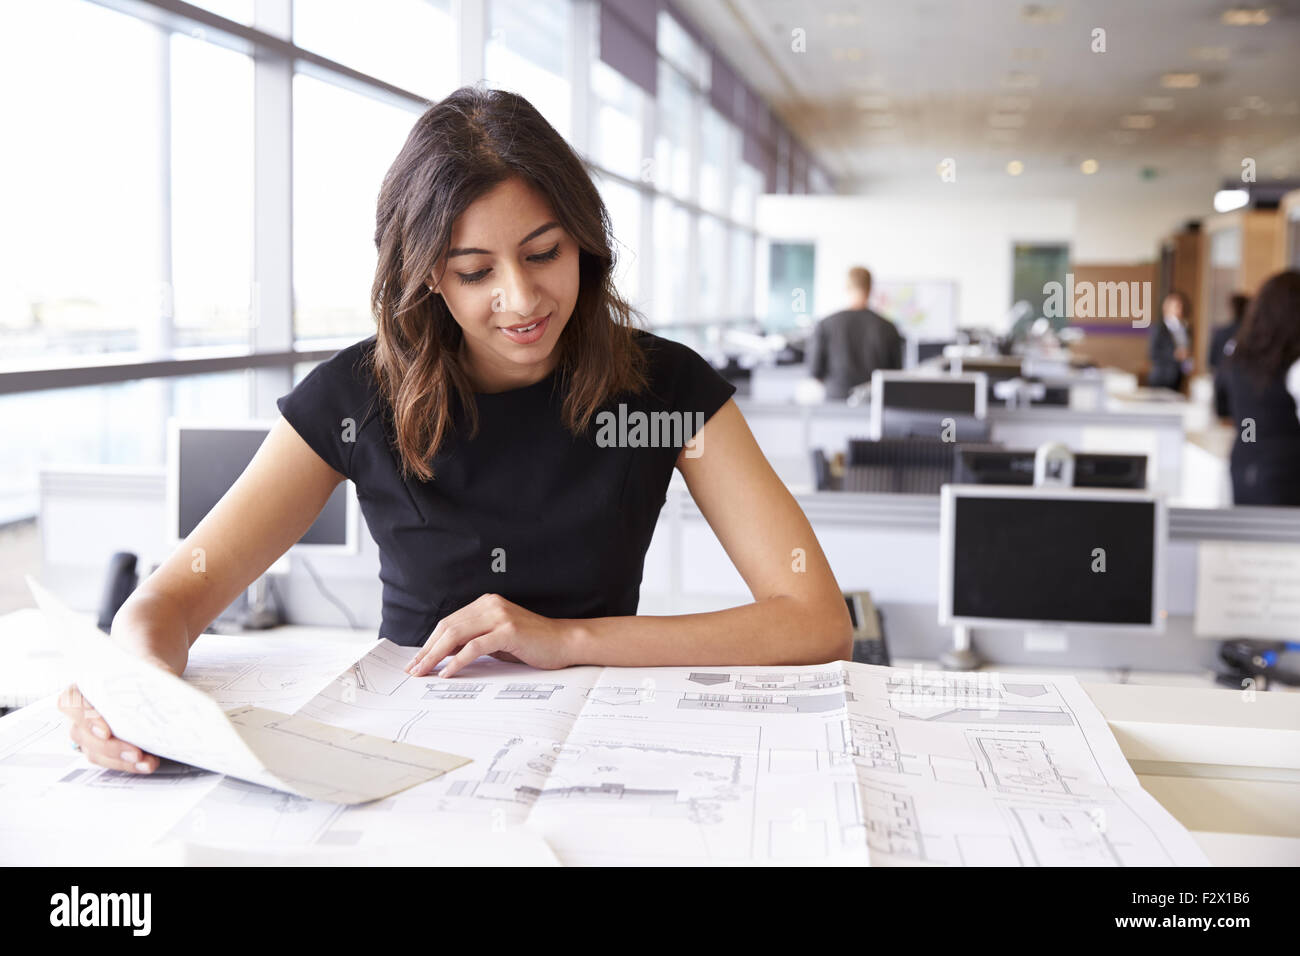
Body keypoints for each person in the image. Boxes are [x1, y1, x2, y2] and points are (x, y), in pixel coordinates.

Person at [58, 87, 853, 775]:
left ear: (584, 241)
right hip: (411, 739)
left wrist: (565, 639)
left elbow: (817, 620)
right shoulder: (358, 393)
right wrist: (136, 688)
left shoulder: (664, 388)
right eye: (476, 271)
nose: (521, 298)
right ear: (428, 274)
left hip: (601, 735)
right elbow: (167, 599)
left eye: (544, 252)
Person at [1217, 269, 1300, 506]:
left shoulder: (1237, 357)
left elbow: (1223, 408)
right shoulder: (1294, 366)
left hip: (1243, 470)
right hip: (1289, 483)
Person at [806, 266, 903, 400]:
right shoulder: (888, 327)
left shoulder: (826, 324)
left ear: (847, 287)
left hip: (836, 403)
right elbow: (895, 375)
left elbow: (814, 371)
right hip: (874, 403)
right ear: (870, 289)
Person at [1147, 290, 1194, 392]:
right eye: (1176, 306)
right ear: (1167, 307)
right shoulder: (1159, 328)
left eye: (1181, 306)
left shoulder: (1186, 328)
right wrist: (1174, 355)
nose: (1180, 309)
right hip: (1162, 377)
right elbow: (1153, 353)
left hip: (1178, 377)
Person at [1211, 292, 1249, 417]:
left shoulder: (1220, 333)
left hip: (1222, 384)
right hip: (1244, 387)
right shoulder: (1252, 335)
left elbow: (1211, 360)